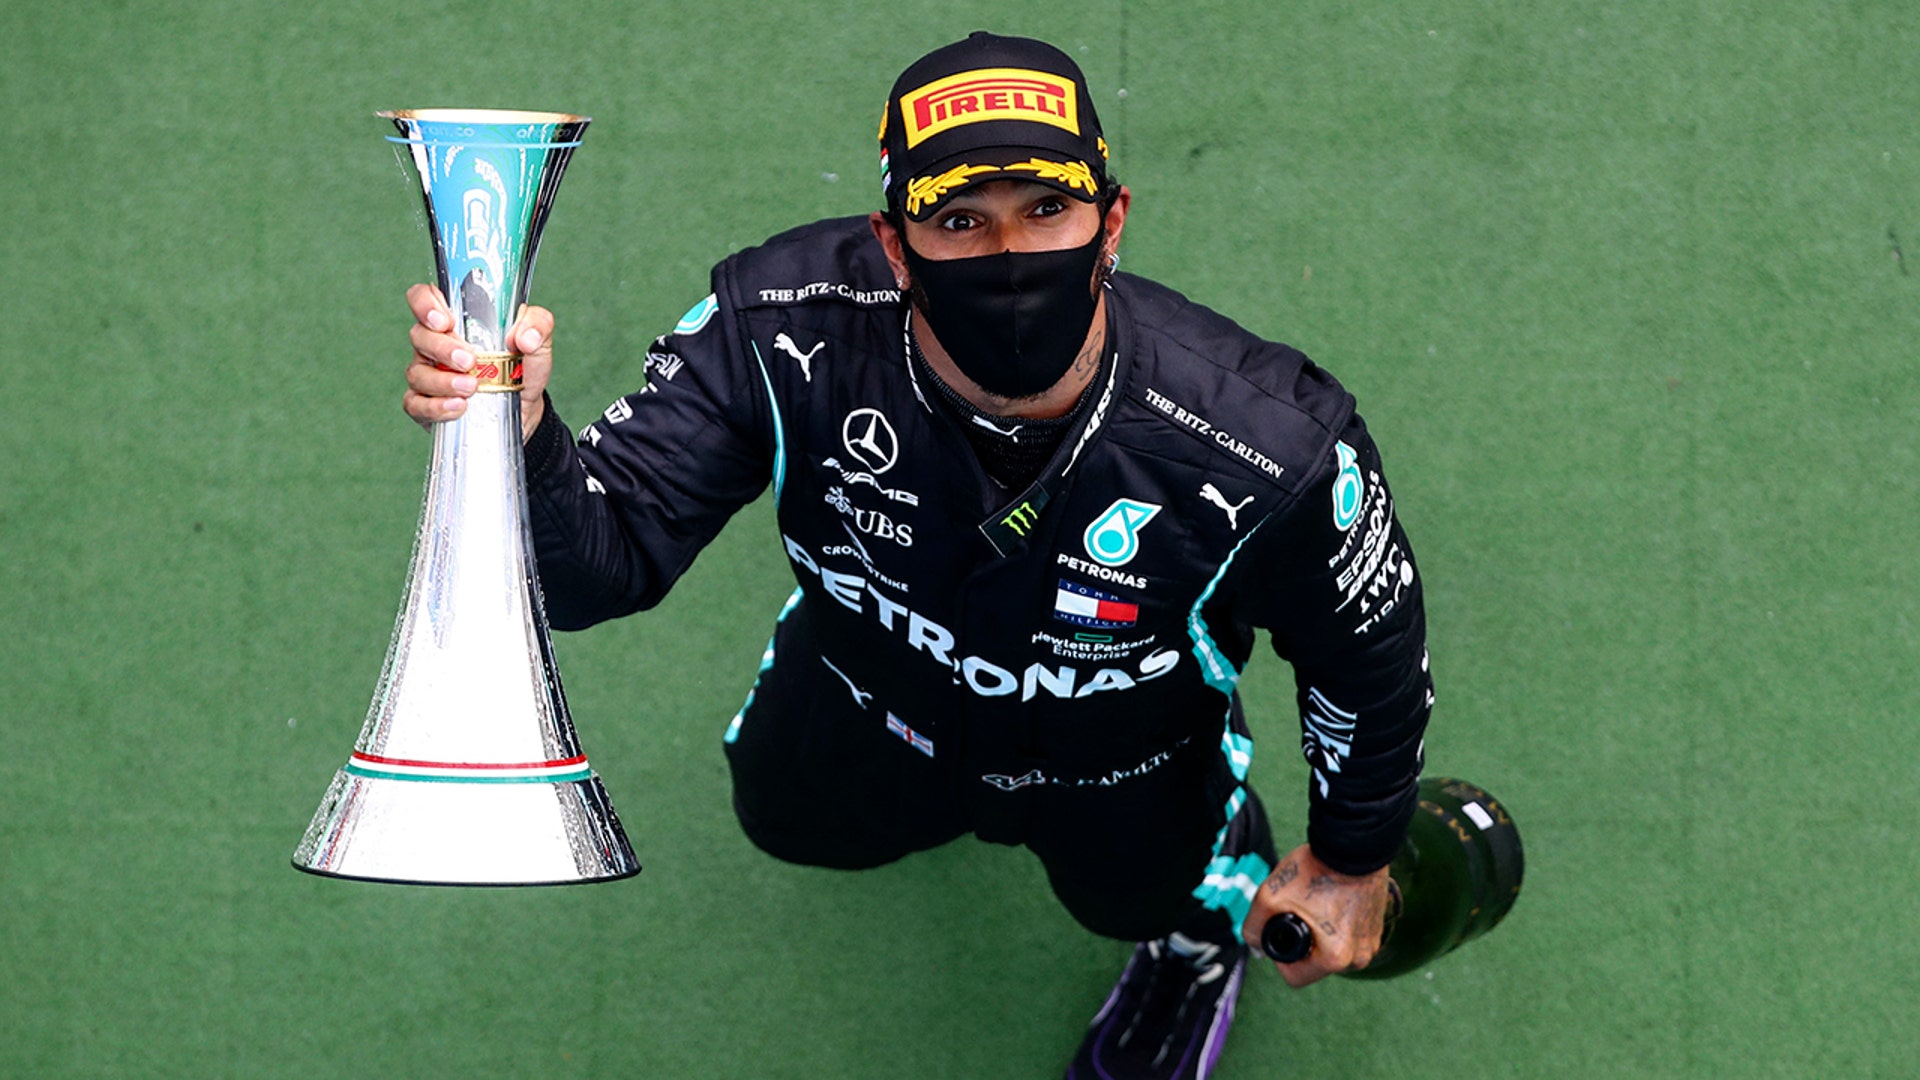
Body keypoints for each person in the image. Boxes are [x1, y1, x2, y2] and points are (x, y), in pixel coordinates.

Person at [402, 32, 1431, 1080]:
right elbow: (591, 569)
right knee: (790, 818)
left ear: (1110, 222)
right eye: (958, 222)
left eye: (1046, 211)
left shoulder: (1276, 445)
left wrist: (1354, 854)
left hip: (1130, 758)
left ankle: (1194, 940)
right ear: (894, 246)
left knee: (1150, 898)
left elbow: (1371, 662)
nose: (1010, 257)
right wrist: (517, 434)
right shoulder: (776, 328)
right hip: (865, 691)